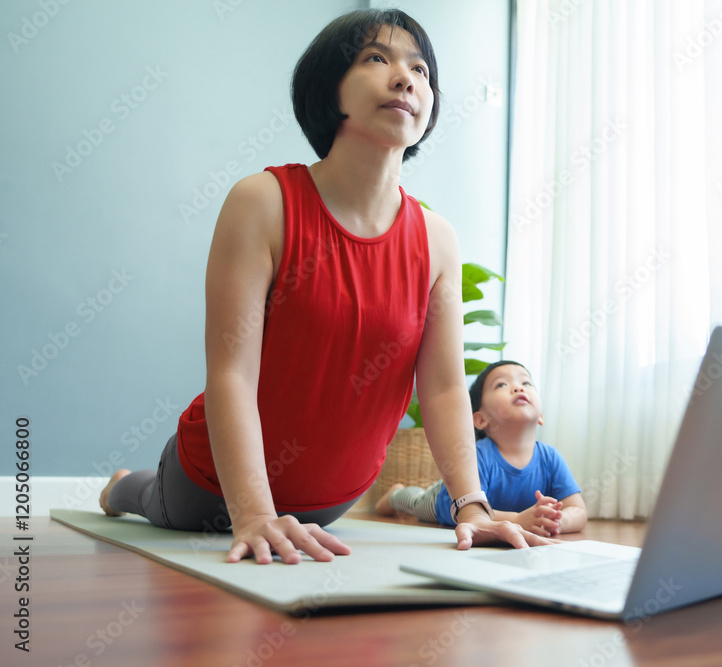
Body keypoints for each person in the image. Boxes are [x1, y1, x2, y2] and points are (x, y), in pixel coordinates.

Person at [99, 8, 554, 564]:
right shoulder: (261, 202)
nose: (406, 77)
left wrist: (472, 506)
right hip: (213, 489)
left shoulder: (438, 239)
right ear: (329, 87)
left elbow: (440, 389)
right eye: (376, 59)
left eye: (420, 69)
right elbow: (231, 373)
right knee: (147, 494)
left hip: (329, 504)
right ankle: (122, 484)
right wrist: (253, 513)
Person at [377, 361, 588, 537]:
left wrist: (558, 522)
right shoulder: (479, 455)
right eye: (501, 385)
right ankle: (396, 494)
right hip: (449, 502)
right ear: (480, 419)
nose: (518, 387)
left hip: (497, 516)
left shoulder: (550, 458)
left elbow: (578, 510)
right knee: (416, 503)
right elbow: (470, 513)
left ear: (541, 415)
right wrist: (517, 520)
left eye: (526, 382)